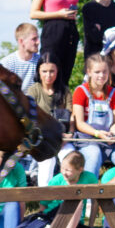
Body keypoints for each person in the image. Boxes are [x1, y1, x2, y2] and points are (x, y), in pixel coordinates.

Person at [65, 54, 115, 177]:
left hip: (109, 141)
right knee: (94, 155)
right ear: (89, 72)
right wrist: (98, 133)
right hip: (88, 139)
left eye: (105, 71)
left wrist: (113, 133)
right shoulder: (80, 91)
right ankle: (89, 194)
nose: (101, 75)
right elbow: (79, 123)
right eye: (97, 72)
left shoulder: (112, 93)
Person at [40, 151, 109, 228]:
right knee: (76, 202)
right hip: (54, 220)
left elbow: (95, 201)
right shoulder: (57, 180)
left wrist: (90, 222)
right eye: (62, 168)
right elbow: (43, 204)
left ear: (80, 170)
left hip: (74, 225)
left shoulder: (89, 178)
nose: (63, 172)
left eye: (67, 170)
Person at [30, 0, 79, 88]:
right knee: (50, 70)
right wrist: (59, 14)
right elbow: (33, 13)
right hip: (53, 29)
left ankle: (62, 106)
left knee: (66, 71)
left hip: (70, 30)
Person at [27, 52, 72, 186]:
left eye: (52, 71)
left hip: (63, 139)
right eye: (44, 71)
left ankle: (69, 197)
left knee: (70, 158)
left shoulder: (65, 91)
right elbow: (30, 119)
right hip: (42, 139)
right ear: (38, 72)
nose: (48, 75)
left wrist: (69, 134)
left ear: (57, 71)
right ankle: (44, 199)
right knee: (48, 160)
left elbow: (72, 116)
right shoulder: (33, 91)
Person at [0, 23, 41, 91]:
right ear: (21, 41)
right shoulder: (7, 63)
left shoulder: (41, 61)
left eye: (38, 38)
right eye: (34, 39)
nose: (38, 42)